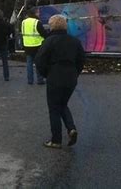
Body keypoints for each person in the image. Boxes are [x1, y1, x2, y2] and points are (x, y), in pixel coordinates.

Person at [35, 14, 85, 149]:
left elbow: (40, 60)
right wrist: (75, 73)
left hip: (55, 77)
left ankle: (56, 140)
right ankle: (71, 128)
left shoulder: (49, 41)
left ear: (51, 26)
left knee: (54, 108)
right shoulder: (74, 41)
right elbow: (81, 60)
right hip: (71, 78)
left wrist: (46, 74)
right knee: (63, 104)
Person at [21, 7, 47, 85]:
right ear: (35, 13)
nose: (39, 14)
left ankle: (30, 80)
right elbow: (43, 33)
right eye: (38, 13)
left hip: (27, 45)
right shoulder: (37, 22)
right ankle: (40, 80)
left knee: (29, 63)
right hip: (37, 45)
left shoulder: (23, 22)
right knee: (38, 63)